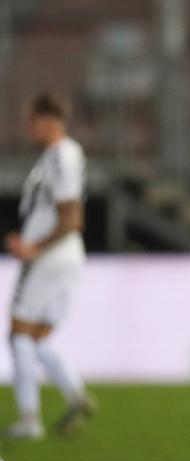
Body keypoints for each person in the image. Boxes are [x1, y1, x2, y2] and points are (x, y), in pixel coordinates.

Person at [3, 94, 95, 440]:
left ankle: (29, 419)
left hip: (49, 257)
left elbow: (72, 216)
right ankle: (75, 393)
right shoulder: (55, 158)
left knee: (18, 334)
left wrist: (33, 246)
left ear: (46, 120)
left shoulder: (62, 156)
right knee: (38, 338)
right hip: (63, 256)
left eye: (32, 121)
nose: (29, 129)